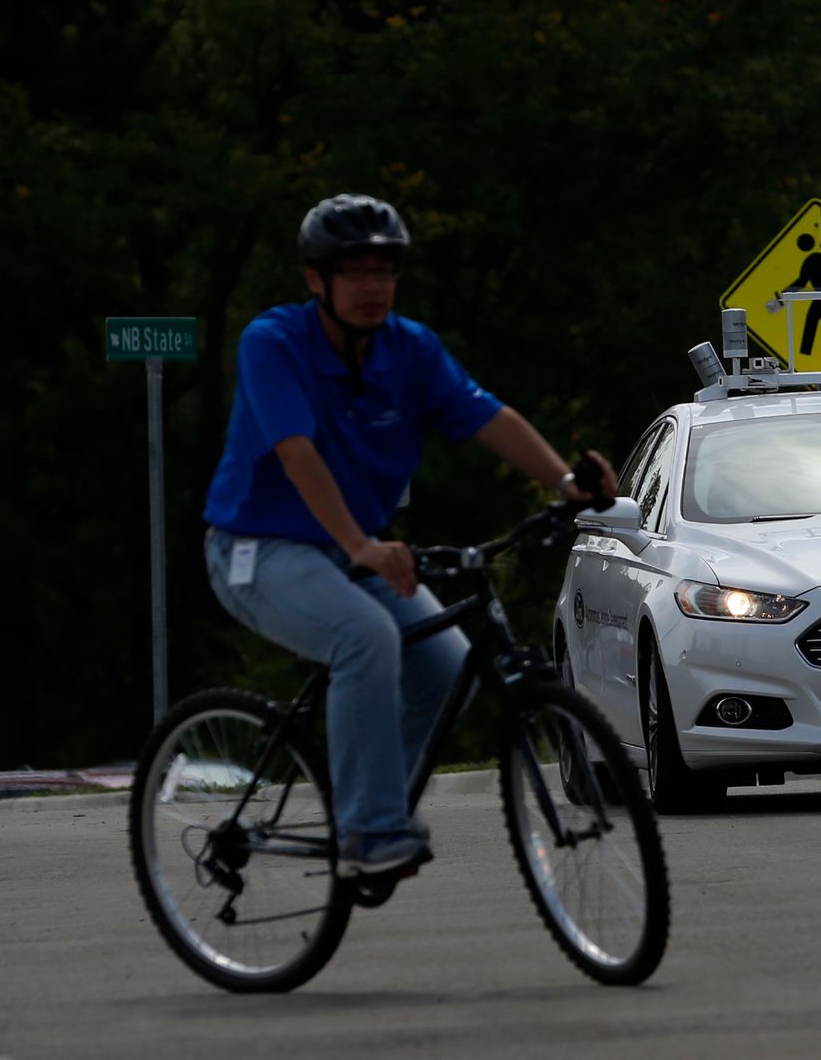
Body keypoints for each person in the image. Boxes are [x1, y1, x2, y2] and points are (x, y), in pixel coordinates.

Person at [202, 193, 616, 878]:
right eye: (353, 272)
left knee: (447, 664)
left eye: (383, 272)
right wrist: (363, 545)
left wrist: (566, 481)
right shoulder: (272, 342)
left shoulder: (410, 349)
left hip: (352, 549)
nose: (372, 287)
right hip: (258, 549)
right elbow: (296, 453)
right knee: (364, 635)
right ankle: (370, 831)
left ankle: (370, 803)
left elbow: (489, 417)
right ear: (315, 280)